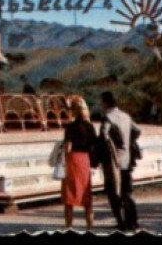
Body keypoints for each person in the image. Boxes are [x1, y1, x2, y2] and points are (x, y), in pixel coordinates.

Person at [99, 91, 140, 231]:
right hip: (127, 159)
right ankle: (133, 221)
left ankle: (120, 221)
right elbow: (137, 130)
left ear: (105, 102)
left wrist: (111, 146)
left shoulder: (107, 117)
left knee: (113, 192)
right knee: (127, 191)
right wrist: (128, 142)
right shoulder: (126, 116)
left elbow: (104, 135)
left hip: (113, 161)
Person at [59, 96, 96, 230]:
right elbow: (93, 146)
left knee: (69, 197)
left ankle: (69, 226)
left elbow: (68, 147)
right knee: (86, 195)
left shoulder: (70, 127)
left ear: (73, 111)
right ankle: (89, 226)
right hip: (84, 160)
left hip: (72, 160)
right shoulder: (90, 126)